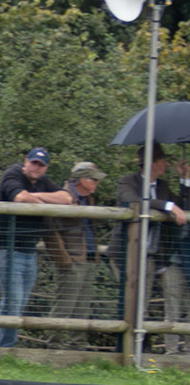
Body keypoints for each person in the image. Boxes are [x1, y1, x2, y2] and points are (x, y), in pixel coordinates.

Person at [0, 146, 74, 346]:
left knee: (19, 303)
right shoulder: (12, 174)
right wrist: (44, 200)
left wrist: (37, 198)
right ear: (25, 161)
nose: (36, 168)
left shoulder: (43, 182)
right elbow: (19, 197)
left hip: (29, 250)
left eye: (41, 165)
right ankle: (4, 349)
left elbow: (67, 198)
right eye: (33, 163)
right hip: (8, 248)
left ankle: (2, 349)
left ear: (46, 168)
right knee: (13, 302)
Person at [117, 148, 188, 347]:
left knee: (143, 303)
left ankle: (140, 348)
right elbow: (134, 202)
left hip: (151, 254)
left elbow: (183, 204)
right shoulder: (128, 181)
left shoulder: (163, 186)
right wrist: (166, 206)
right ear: (152, 162)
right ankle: (126, 349)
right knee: (131, 303)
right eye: (164, 160)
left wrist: (185, 181)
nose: (167, 165)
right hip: (128, 253)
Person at [46, 160, 104, 329]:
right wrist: (64, 261)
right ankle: (53, 346)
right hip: (72, 261)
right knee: (64, 307)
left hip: (88, 259)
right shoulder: (62, 197)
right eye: (94, 179)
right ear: (82, 180)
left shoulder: (88, 199)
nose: (97, 183)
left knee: (82, 309)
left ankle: (77, 347)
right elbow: (50, 231)